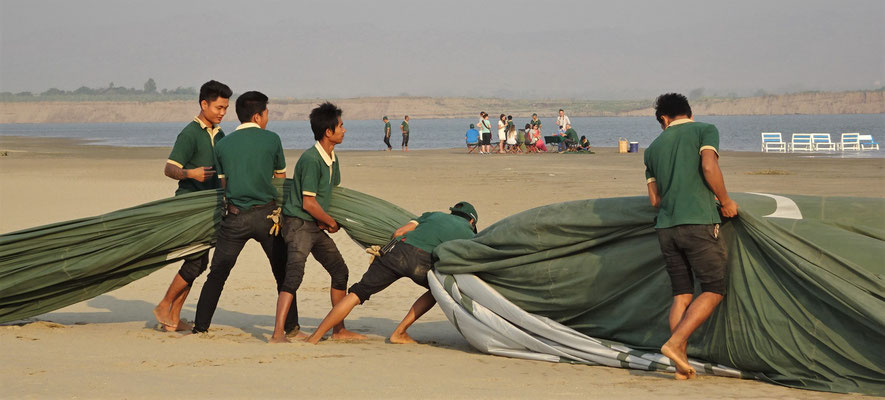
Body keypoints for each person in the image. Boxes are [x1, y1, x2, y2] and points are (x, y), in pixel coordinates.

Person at [643, 93, 739, 380]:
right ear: (689, 112)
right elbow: (709, 166)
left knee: (682, 295)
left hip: (666, 228)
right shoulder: (704, 130)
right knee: (713, 289)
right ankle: (674, 344)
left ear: (664, 119)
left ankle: (680, 366)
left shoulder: (653, 149)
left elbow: (654, 200)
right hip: (697, 223)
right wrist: (725, 200)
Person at [192, 91, 299, 336]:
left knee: (218, 273)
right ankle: (291, 327)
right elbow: (280, 179)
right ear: (258, 116)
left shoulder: (223, 144)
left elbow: (223, 185)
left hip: (235, 217)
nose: (268, 118)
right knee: (282, 271)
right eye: (267, 113)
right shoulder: (272, 139)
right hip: (267, 218)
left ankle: (200, 327)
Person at [306, 202, 478, 345]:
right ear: (471, 221)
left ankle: (315, 337)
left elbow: (399, 233)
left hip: (397, 252)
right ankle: (399, 333)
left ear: (453, 212)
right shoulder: (468, 233)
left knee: (357, 293)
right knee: (436, 291)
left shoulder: (432, 215)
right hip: (423, 263)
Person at [271, 102, 367, 343]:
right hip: (299, 225)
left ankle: (339, 329)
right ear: (328, 131)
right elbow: (308, 203)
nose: (345, 130)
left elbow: (328, 195)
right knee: (293, 276)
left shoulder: (332, 158)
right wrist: (331, 222)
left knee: (340, 271)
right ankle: (277, 333)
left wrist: (326, 222)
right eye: (341, 126)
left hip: (315, 225)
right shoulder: (312, 159)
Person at [153, 80, 232, 332]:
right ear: (204, 104)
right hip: (189, 207)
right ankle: (164, 304)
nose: (222, 113)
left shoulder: (220, 135)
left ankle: (173, 318)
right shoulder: (189, 133)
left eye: (226, 108)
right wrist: (190, 174)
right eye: (218, 107)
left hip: (211, 209)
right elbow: (169, 169)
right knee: (195, 261)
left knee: (199, 262)